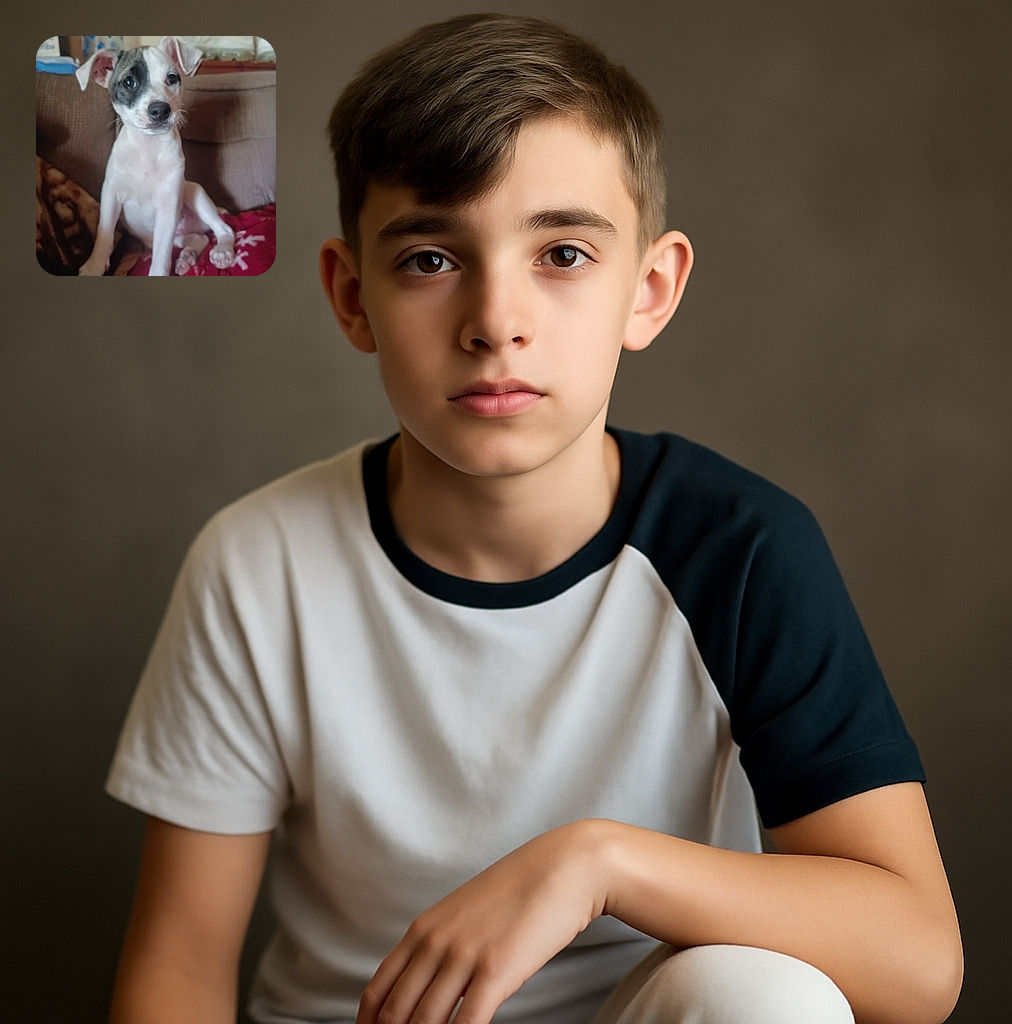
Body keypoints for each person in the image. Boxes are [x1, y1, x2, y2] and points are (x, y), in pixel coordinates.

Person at [105, 13, 962, 1024]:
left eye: (560, 253)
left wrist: (596, 861)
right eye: (429, 258)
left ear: (648, 291)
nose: (494, 321)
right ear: (351, 296)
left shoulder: (741, 549)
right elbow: (179, 974)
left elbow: (917, 961)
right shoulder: (258, 563)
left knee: (758, 992)